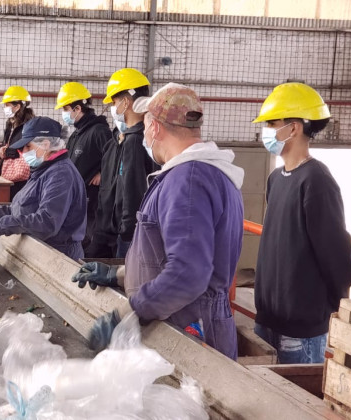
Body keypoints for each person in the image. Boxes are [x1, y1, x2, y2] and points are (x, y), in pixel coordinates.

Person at [73, 83, 244, 360]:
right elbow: (167, 256)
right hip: (185, 320)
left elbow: (187, 274)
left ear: (155, 128)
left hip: (188, 329)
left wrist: (129, 314)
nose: (143, 130)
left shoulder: (188, 182)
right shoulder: (200, 175)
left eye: (146, 121)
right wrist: (118, 275)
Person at [252, 82, 351, 364]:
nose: (267, 131)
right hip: (268, 321)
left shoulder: (317, 181)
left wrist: (327, 308)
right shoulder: (277, 179)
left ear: (294, 128)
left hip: (300, 331)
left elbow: (335, 256)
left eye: (272, 123)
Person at [0, 117, 87, 260]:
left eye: (28, 147)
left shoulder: (60, 175)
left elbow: (47, 222)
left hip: (58, 254)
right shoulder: (43, 169)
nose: (23, 152)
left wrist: (6, 224)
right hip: (43, 249)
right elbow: (24, 207)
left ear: (45, 144)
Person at [87, 68, 158, 258]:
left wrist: (127, 231)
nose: (112, 107)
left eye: (114, 101)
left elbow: (133, 189)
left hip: (126, 235)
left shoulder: (136, 141)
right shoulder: (119, 139)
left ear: (126, 102)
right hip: (110, 231)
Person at [55, 82, 111, 249]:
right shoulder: (78, 133)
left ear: (77, 108)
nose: (64, 114)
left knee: (86, 240)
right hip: (76, 198)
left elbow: (113, 158)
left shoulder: (99, 131)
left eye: (65, 109)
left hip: (92, 201)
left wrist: (102, 172)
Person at [0, 86, 35, 199]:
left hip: (23, 179)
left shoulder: (29, 125)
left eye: (7, 105)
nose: (5, 108)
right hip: (9, 175)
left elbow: (27, 148)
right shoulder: (10, 124)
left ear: (17, 106)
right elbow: (5, 144)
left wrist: (8, 152)